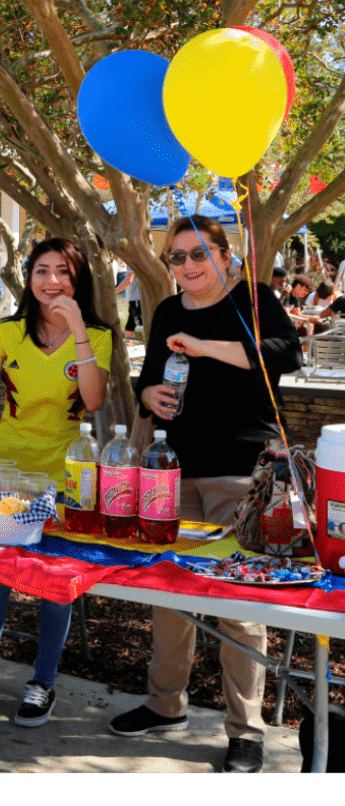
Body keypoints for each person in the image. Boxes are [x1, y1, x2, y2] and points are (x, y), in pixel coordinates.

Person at [108, 215, 303, 774]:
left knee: (239, 605)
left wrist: (203, 346)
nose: (189, 265)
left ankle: (246, 730)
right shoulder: (168, 310)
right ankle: (164, 704)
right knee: (168, 593)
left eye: (200, 254)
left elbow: (285, 356)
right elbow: (144, 379)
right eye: (178, 257)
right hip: (173, 469)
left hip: (243, 471)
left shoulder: (254, 298)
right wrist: (152, 397)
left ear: (225, 254)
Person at [0, 238, 114, 727]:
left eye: (63, 271)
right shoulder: (9, 332)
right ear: (28, 278)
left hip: (66, 478)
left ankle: (42, 682)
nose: (52, 281)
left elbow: (95, 401)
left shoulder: (98, 335)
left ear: (78, 279)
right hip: (7, 473)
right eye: (42, 271)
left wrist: (79, 327)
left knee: (54, 582)